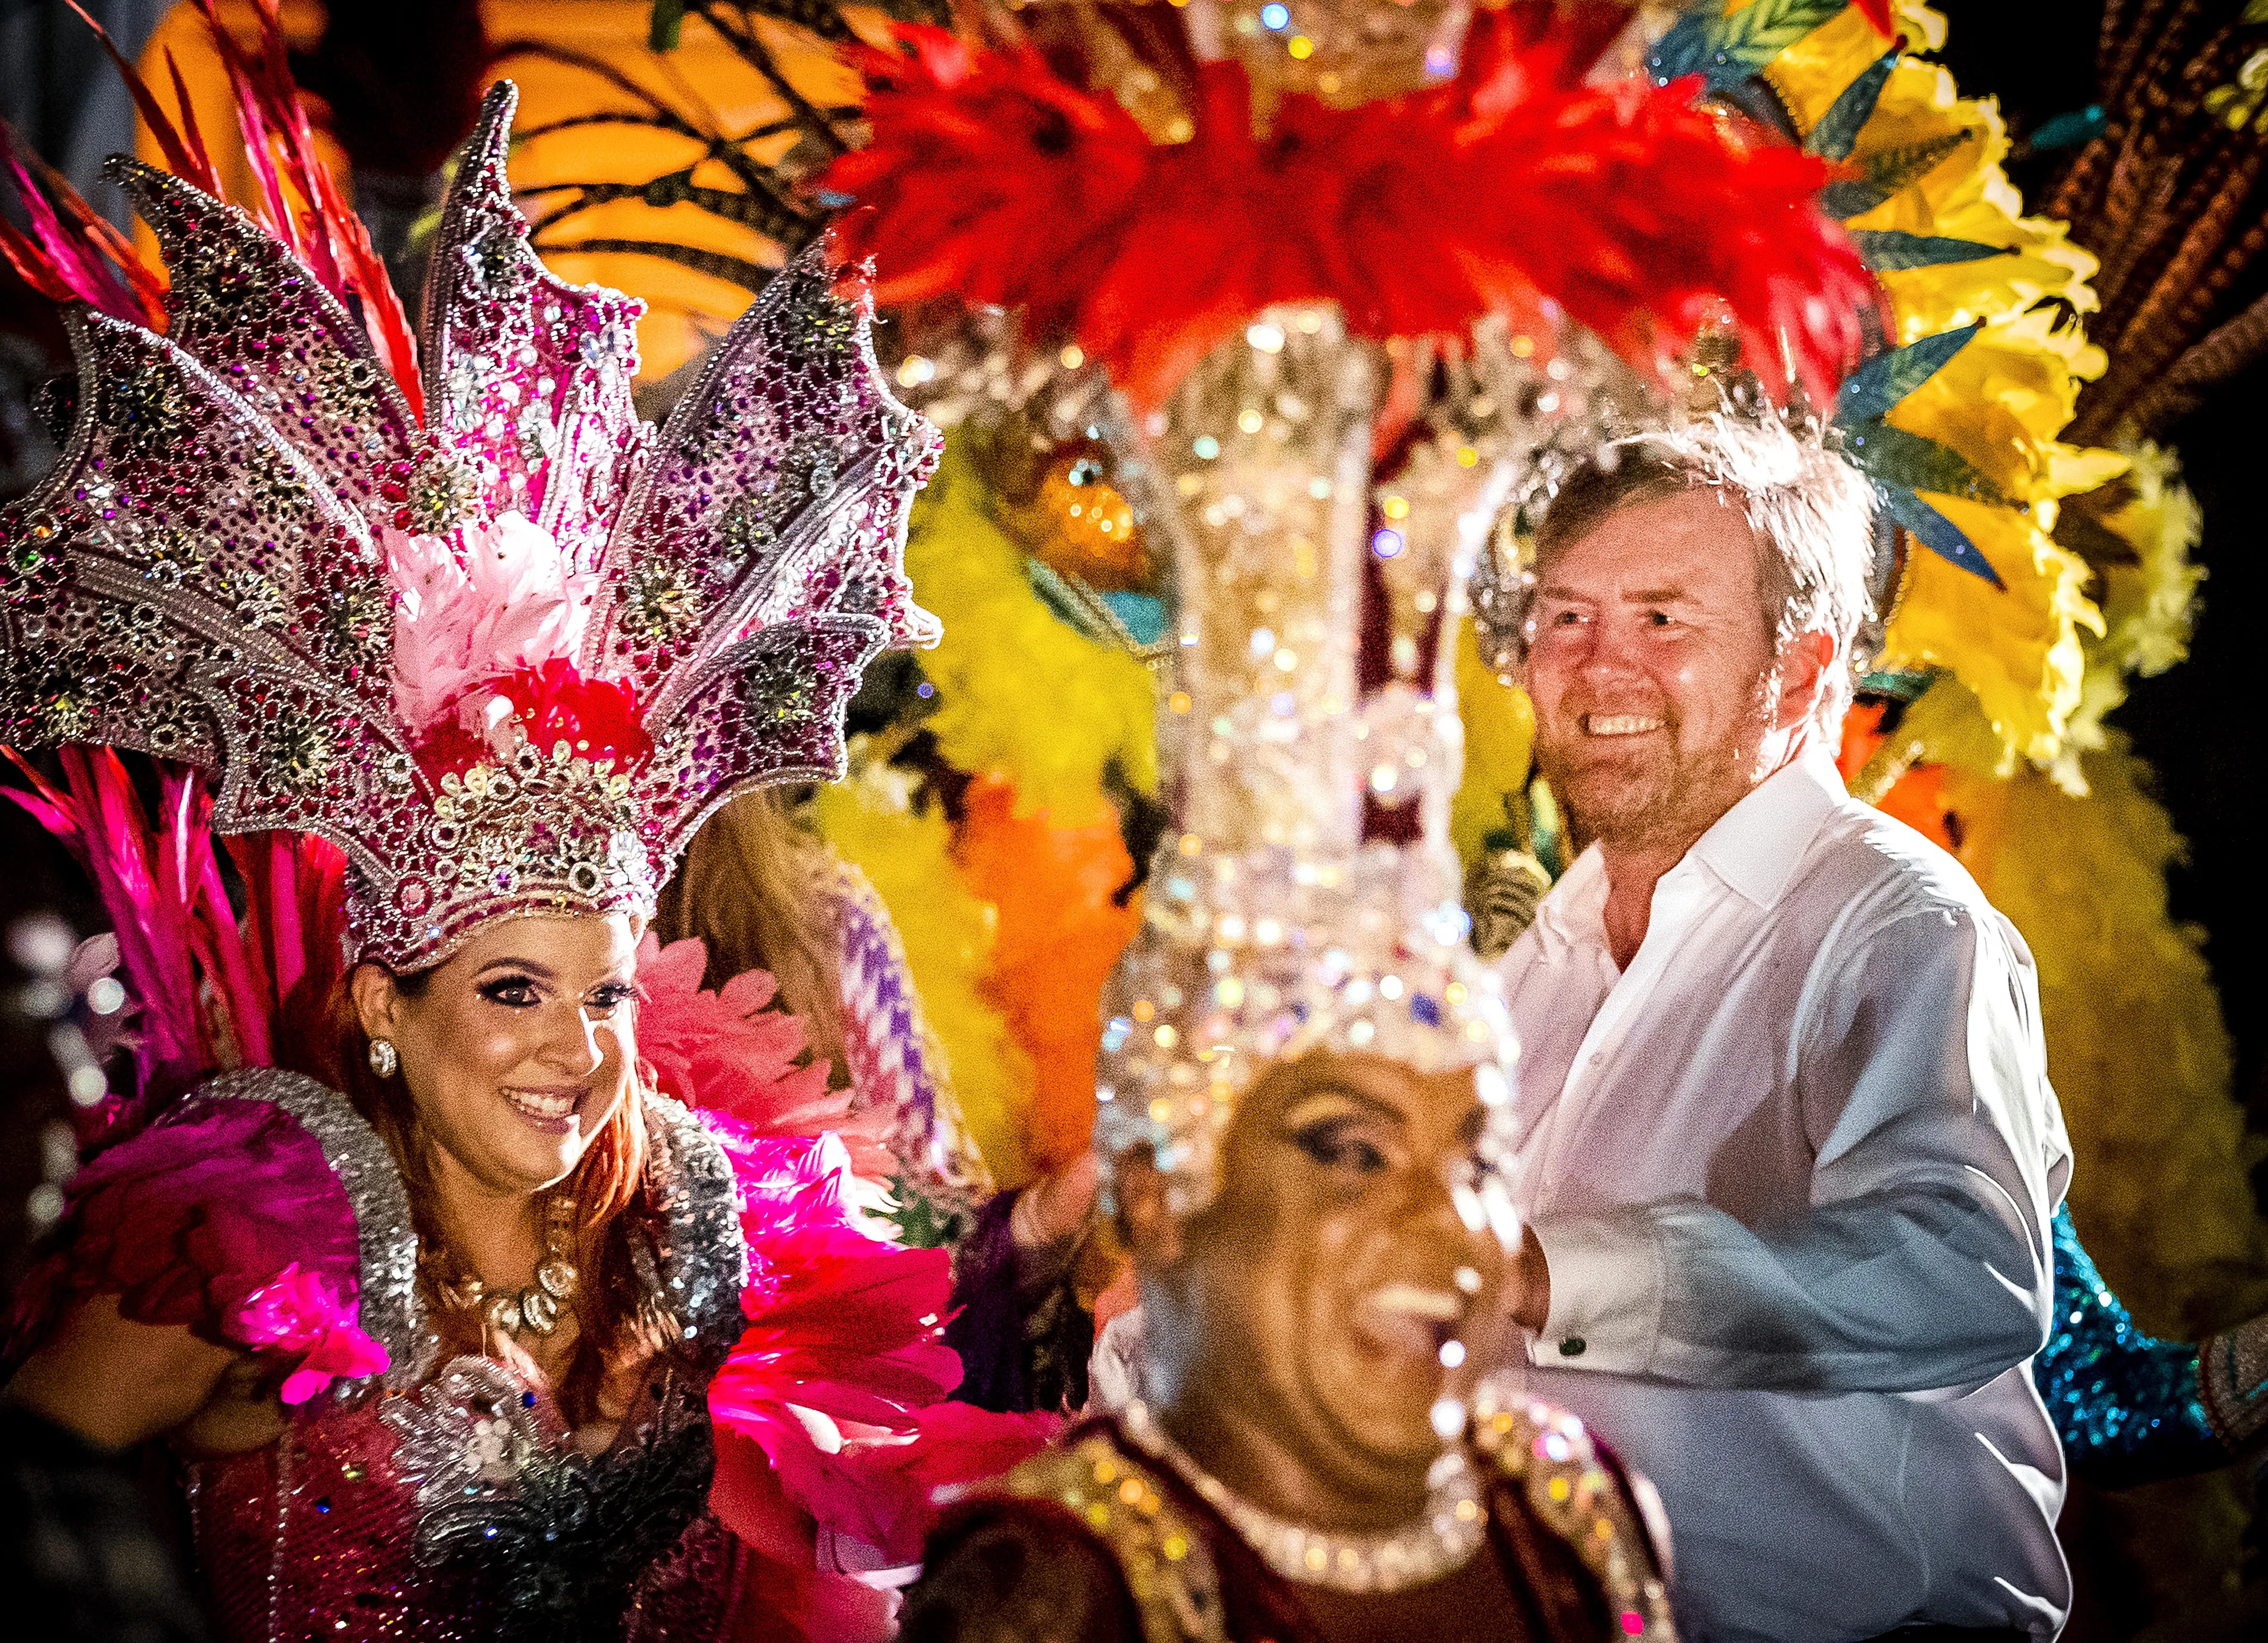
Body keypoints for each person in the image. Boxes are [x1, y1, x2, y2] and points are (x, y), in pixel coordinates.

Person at [0, 56, 1035, 1641]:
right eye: (510, 989)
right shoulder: (275, 1217)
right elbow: (35, 1481)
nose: (577, 1047)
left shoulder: (690, 1212)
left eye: (606, 996)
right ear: (382, 1012)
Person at [901, 298, 1674, 1643]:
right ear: (1159, 1194)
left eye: (1479, 1157)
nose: (1458, 1237)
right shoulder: (1059, 1597)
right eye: (1354, 1155)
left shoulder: (1579, 1511)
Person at [1495, 417, 2071, 1642]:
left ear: (1804, 673)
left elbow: (1961, 1270)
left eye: (1663, 619)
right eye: (1564, 616)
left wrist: (1551, 1269)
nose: (1599, 669)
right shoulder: (1533, 958)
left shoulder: (1901, 926)